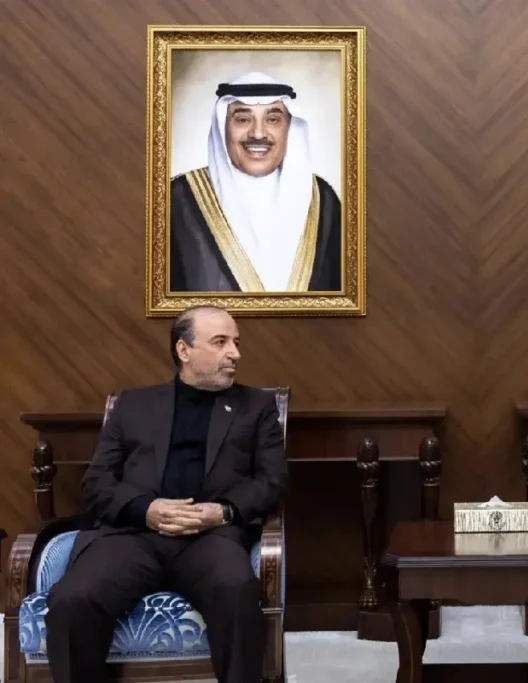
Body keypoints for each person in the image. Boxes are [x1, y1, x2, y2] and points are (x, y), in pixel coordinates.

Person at [44, 304, 289, 683]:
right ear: (183, 350)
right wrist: (146, 509)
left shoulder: (256, 408)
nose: (234, 353)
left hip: (211, 538)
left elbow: (273, 480)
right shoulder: (133, 405)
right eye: (220, 342)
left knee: (237, 590)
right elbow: (96, 482)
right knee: (73, 599)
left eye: (236, 343)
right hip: (132, 537)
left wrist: (222, 512)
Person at [170, 71, 342, 293]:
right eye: (243, 120)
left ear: (289, 128)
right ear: (223, 127)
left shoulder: (322, 199)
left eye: (273, 120)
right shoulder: (178, 198)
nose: (258, 134)